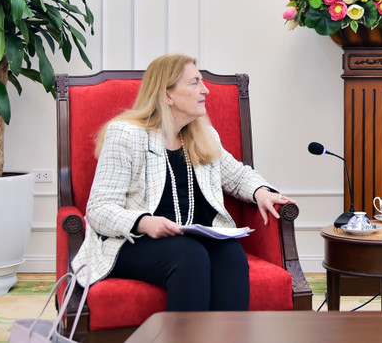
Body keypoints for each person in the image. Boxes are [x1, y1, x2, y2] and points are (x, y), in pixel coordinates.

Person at [71, 54, 294, 311]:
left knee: (231, 255)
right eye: (195, 83)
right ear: (168, 95)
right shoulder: (126, 134)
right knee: (190, 255)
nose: (206, 90)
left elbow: (237, 175)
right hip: (135, 241)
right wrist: (145, 222)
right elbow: (98, 209)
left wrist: (261, 192)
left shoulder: (203, 135)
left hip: (194, 240)